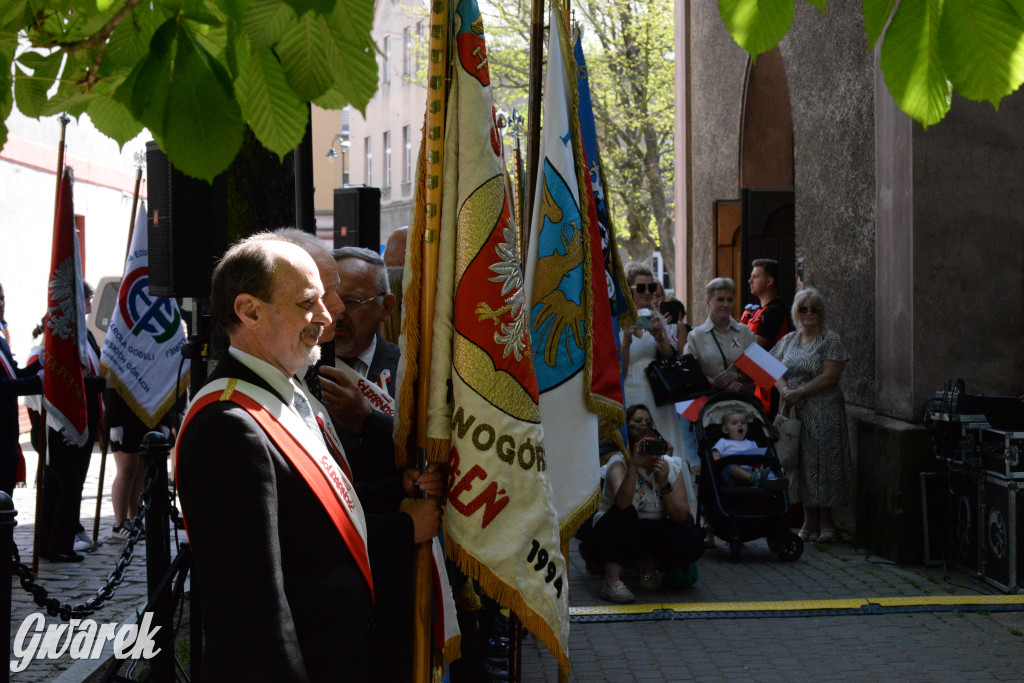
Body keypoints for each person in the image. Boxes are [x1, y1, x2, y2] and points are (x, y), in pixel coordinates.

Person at [176, 237, 441, 681]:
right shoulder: (229, 424)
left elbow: (321, 514)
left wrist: (398, 489)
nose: (325, 315)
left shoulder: (285, 389)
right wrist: (401, 527)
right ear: (249, 311)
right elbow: (255, 613)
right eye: (307, 302)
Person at [587, 423, 704, 603]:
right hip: (614, 532)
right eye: (644, 447)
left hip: (650, 531)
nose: (650, 453)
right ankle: (612, 581)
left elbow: (681, 515)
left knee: (690, 532)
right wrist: (634, 465)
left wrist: (664, 483)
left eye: (654, 445)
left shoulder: (670, 465)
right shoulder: (619, 463)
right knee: (625, 513)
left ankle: (649, 565)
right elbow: (622, 503)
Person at [771, 288, 852, 543]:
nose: (808, 313)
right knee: (799, 464)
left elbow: (830, 376)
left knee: (824, 464)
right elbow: (772, 368)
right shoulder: (789, 340)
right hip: (795, 411)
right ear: (796, 312)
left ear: (821, 312)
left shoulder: (831, 340)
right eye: (803, 309)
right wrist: (786, 390)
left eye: (814, 309)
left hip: (823, 411)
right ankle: (808, 521)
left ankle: (828, 523)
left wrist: (799, 391)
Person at [318, 246, 401, 483]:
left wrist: (367, 421)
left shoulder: (412, 371)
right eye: (329, 300)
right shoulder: (299, 368)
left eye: (351, 302)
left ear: (385, 308)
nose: (338, 314)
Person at [619, 262, 695, 505]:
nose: (647, 292)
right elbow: (619, 367)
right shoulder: (618, 320)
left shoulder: (655, 317)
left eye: (651, 287)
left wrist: (660, 336)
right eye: (641, 288)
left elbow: (670, 358)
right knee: (637, 440)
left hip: (656, 391)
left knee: (664, 442)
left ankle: (669, 498)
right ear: (628, 291)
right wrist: (627, 342)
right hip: (630, 387)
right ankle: (636, 500)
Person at [0, 282, 41, 496]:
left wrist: (41, 363)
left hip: (7, 436)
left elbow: (15, 374)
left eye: (2, 298)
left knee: (6, 503)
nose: (1, 304)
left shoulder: (1, 342)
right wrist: (37, 383)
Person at [745, 259, 792, 416]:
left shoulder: (776, 310)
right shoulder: (759, 310)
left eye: (755, 277)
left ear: (769, 281)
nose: (750, 280)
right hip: (761, 382)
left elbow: (754, 346)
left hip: (774, 384)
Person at [711, 409, 784, 488]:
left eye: (743, 423)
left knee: (768, 467)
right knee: (729, 467)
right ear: (725, 430)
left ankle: (771, 480)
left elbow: (758, 458)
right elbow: (715, 455)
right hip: (732, 477)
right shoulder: (723, 442)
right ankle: (753, 478)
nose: (740, 425)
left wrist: (759, 466)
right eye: (734, 423)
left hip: (751, 471)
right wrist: (716, 459)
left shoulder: (751, 443)